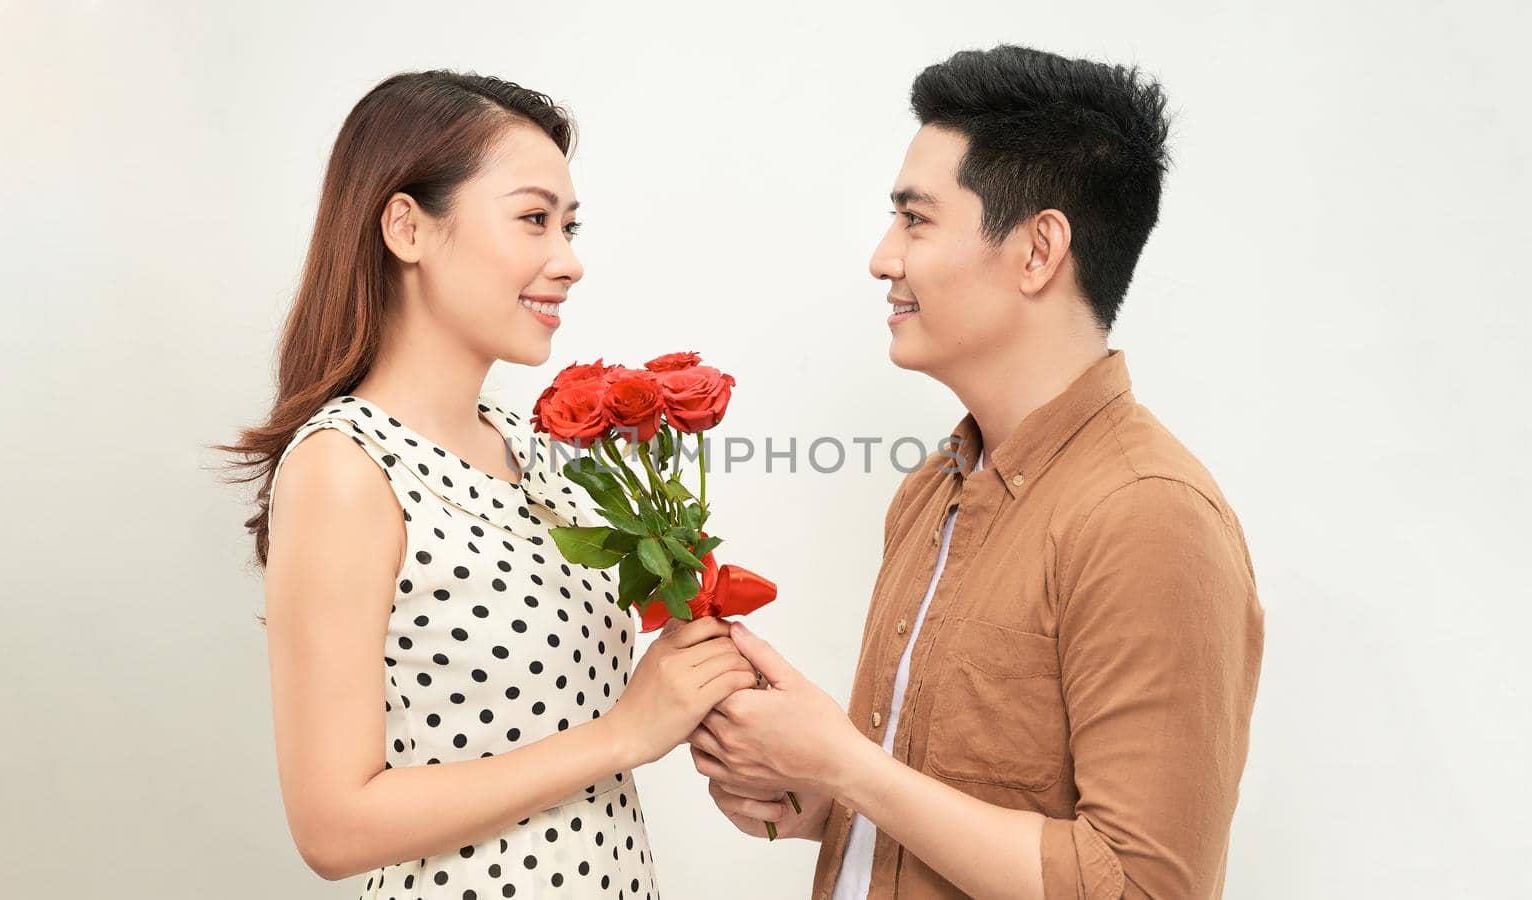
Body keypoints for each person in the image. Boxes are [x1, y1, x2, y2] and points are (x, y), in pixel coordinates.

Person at [691, 45, 1265, 899]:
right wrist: (808, 791)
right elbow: (944, 803)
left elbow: (1144, 887)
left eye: (915, 219)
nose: (884, 258)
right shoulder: (931, 491)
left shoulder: (1149, 516)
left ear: (1038, 251)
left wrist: (848, 766)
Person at [220, 69, 756, 898]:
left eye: (570, 226)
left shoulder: (529, 449)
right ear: (406, 227)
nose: (568, 261)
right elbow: (332, 826)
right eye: (534, 220)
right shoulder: (345, 468)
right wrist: (624, 734)